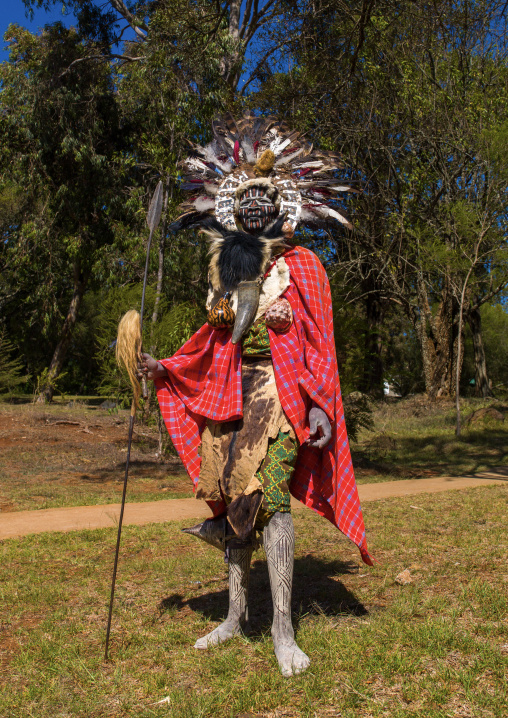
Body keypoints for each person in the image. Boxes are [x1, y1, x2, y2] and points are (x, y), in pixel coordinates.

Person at [138, 113, 372, 677]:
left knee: (270, 503)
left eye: (268, 199)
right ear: (234, 210)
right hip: (229, 393)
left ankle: (283, 628)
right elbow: (210, 342)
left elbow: (320, 347)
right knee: (234, 501)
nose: (258, 208)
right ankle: (235, 615)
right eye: (249, 201)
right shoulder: (223, 272)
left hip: (279, 396)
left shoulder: (304, 267)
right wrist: (164, 367)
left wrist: (318, 405)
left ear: (285, 207)